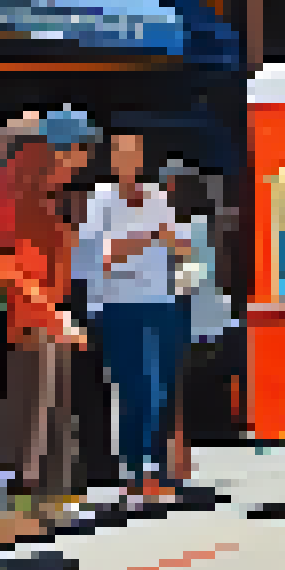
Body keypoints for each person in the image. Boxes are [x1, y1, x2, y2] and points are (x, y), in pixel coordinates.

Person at [0, 113, 96, 529]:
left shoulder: (39, 192)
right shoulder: (25, 194)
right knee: (30, 406)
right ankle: (3, 498)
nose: (83, 162)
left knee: (52, 407)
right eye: (79, 150)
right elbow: (20, 268)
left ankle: (50, 499)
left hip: (46, 314)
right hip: (35, 317)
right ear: (60, 150)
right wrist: (54, 318)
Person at [79, 132, 191, 506]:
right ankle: (135, 472)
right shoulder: (101, 199)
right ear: (112, 161)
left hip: (161, 301)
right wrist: (151, 236)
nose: (132, 162)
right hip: (118, 304)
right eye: (123, 154)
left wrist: (163, 238)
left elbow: (181, 245)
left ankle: (155, 471)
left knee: (159, 389)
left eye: (137, 154)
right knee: (133, 388)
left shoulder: (157, 196)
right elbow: (101, 255)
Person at [162, 165, 225, 488]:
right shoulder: (206, 227)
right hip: (204, 321)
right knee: (177, 396)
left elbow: (190, 278)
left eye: (168, 187)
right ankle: (179, 463)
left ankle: (176, 464)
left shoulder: (187, 230)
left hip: (185, 319)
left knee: (174, 396)